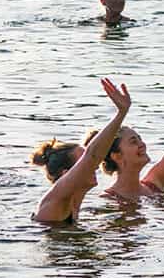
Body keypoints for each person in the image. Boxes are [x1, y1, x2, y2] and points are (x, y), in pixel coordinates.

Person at [32, 77, 132, 223]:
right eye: (82, 163)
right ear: (66, 175)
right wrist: (121, 113)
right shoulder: (56, 199)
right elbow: (91, 156)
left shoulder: (71, 205)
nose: (95, 165)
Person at [101, 60, 164, 202]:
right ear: (117, 156)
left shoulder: (155, 185)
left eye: (140, 139)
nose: (142, 144)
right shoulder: (108, 200)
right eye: (133, 141)